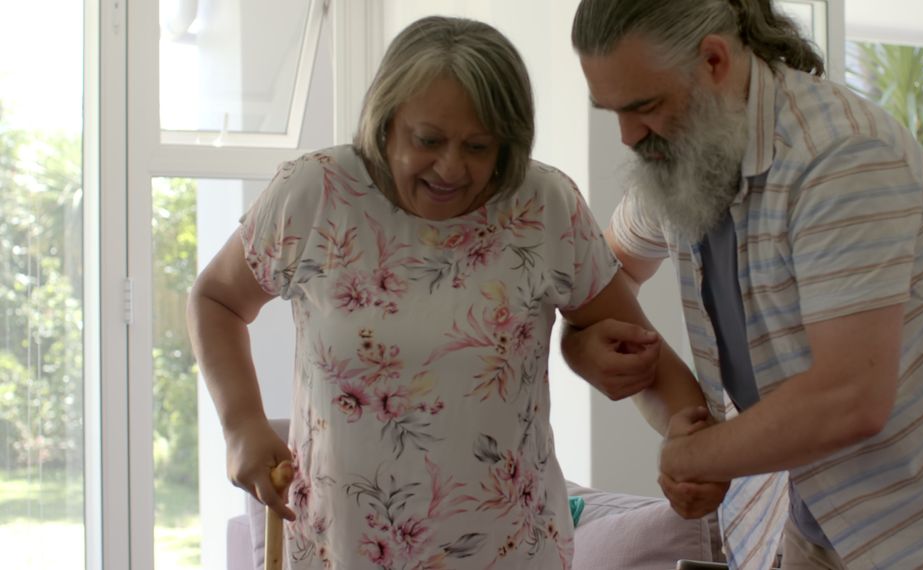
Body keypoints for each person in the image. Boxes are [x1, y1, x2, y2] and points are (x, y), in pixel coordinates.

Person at [186, 16, 705, 570]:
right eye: (428, 140)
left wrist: (690, 438)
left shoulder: (543, 204)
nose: (452, 167)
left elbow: (639, 354)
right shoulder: (316, 192)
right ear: (385, 122)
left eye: (479, 147)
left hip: (512, 552)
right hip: (343, 550)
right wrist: (240, 424)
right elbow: (216, 299)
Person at [562, 1, 923, 568]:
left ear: (715, 61)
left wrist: (697, 455)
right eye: (611, 111)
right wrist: (584, 346)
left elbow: (850, 398)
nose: (627, 136)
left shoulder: (840, 156)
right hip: (813, 503)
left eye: (644, 106)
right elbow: (604, 275)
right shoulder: (678, 154)